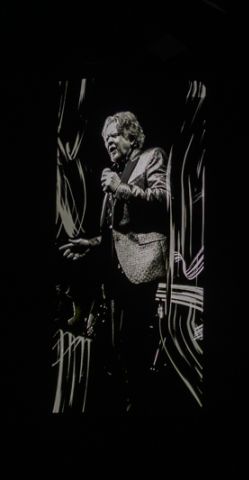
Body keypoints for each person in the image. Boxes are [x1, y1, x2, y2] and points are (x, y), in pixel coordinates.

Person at [59, 111, 169, 413]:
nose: (108, 142)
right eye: (105, 139)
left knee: (136, 345)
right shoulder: (115, 173)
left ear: (131, 136)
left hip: (143, 267)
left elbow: (164, 199)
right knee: (116, 346)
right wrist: (92, 244)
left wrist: (120, 188)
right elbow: (118, 232)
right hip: (115, 275)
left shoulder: (151, 157)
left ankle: (144, 404)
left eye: (114, 136)